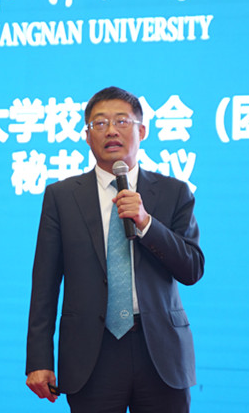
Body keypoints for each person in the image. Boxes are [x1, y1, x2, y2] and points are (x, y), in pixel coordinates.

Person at [25, 86, 204, 412]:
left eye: (122, 121)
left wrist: (146, 223)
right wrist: (39, 360)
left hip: (160, 352)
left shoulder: (174, 192)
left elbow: (192, 268)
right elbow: (45, 285)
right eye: (100, 123)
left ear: (142, 130)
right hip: (92, 355)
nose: (111, 131)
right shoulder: (61, 197)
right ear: (87, 135)